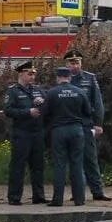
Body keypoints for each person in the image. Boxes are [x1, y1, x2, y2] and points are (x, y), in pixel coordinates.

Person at [63, 50, 110, 201]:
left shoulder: (90, 78)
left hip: (86, 124)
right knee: (74, 160)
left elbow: (98, 102)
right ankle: (78, 192)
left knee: (90, 159)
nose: (74, 66)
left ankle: (98, 192)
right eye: (71, 63)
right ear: (66, 64)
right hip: (69, 124)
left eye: (77, 62)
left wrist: (98, 123)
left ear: (81, 63)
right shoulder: (63, 78)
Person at [43, 66, 93, 207]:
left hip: (59, 130)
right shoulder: (80, 92)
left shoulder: (52, 93)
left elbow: (45, 113)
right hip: (77, 130)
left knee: (60, 165)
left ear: (58, 78)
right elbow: (88, 111)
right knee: (77, 165)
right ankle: (79, 199)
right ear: (70, 77)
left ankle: (57, 200)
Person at [4, 62, 46, 206]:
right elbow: (8, 111)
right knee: (18, 166)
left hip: (37, 132)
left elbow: (49, 106)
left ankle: (39, 196)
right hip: (21, 133)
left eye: (34, 73)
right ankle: (14, 197)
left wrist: (43, 102)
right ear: (21, 73)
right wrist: (27, 112)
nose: (32, 76)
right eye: (29, 73)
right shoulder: (13, 91)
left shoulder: (38, 90)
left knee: (38, 165)